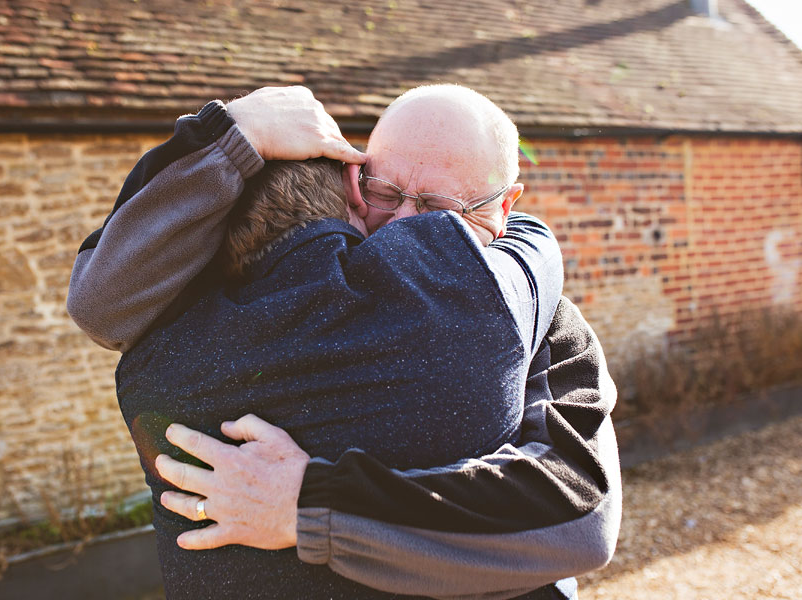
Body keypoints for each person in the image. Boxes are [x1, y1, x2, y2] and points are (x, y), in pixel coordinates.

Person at [68, 85, 620, 599]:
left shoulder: (526, 313)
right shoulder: (249, 295)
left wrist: (310, 504)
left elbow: (578, 511)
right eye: (385, 192)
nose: (404, 226)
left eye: (438, 210)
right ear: (354, 183)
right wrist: (234, 131)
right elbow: (101, 302)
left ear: (504, 208)